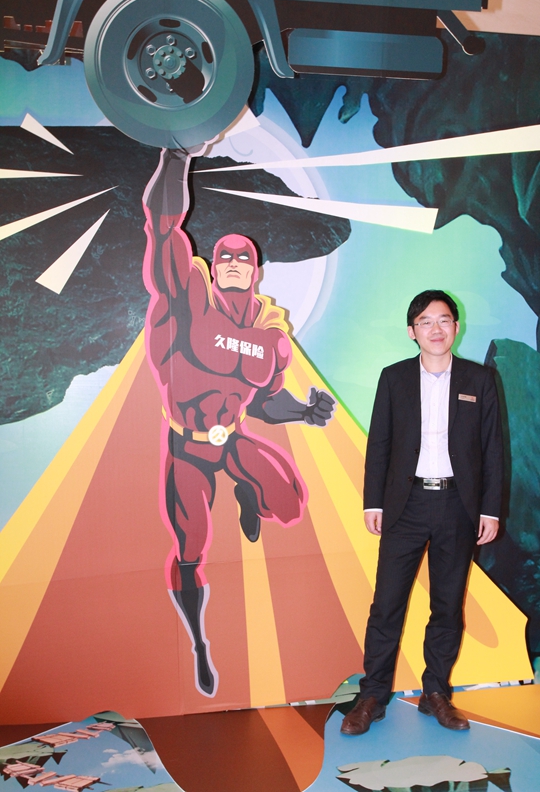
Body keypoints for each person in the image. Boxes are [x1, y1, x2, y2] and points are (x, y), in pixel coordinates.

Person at [142, 144, 335, 698]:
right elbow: (161, 227)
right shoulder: (187, 298)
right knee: (191, 549)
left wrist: (304, 412)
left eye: (242, 257)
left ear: (256, 271)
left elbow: (266, 402)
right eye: (224, 255)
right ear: (214, 263)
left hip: (231, 437)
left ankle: (249, 494)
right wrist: (177, 156)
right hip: (187, 448)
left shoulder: (271, 333)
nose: (231, 262)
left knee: (290, 505)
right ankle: (200, 645)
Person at [341, 289, 503, 735]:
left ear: (456, 327)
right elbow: (380, 443)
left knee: (447, 605)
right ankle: (373, 696)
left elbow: (493, 449)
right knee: (386, 605)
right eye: (426, 322)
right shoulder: (393, 378)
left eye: (444, 320)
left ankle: (436, 695)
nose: (436, 328)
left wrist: (490, 510)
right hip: (405, 505)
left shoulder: (479, 380)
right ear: (412, 331)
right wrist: (373, 501)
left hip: (458, 506)